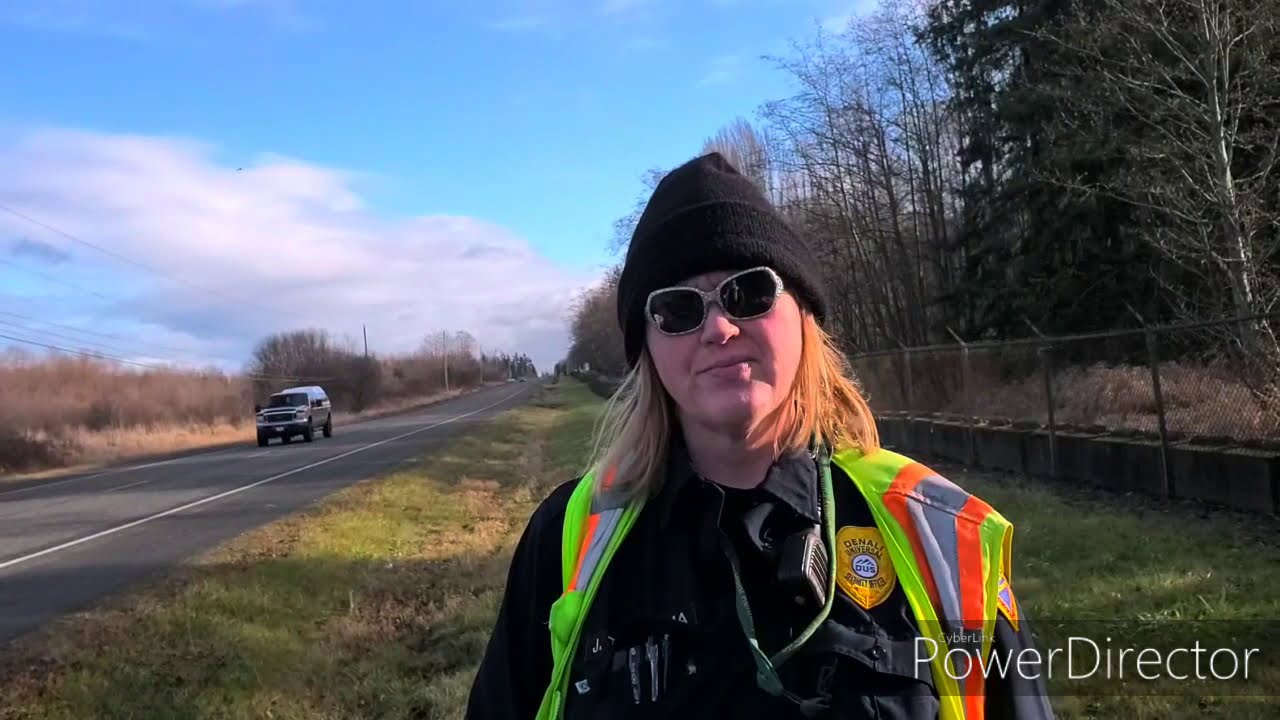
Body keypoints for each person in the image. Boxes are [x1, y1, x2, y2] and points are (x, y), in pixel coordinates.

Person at [465, 152, 1056, 719]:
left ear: (803, 314)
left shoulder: (941, 536)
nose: (720, 328)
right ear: (647, 347)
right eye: (678, 310)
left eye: (749, 293)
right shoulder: (565, 542)